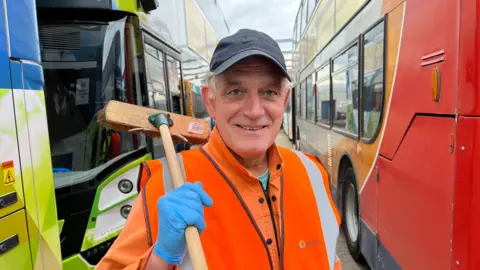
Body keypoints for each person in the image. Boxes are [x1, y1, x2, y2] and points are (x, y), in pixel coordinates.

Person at [96, 28, 342, 270]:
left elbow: (330, 259)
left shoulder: (313, 173)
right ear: (211, 102)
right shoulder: (166, 185)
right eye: (236, 92)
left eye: (269, 92)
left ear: (284, 101)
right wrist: (159, 260)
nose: (255, 111)